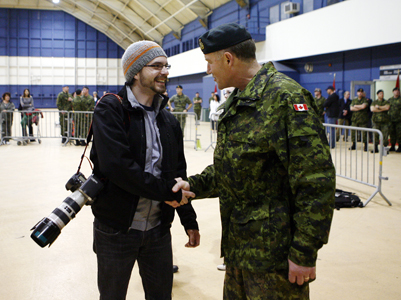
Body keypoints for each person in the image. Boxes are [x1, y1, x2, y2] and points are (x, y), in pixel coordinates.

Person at [174, 23, 335, 300]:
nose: (208, 71)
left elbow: (315, 180)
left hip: (275, 258)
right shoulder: (239, 99)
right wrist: (193, 186)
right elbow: (233, 166)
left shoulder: (285, 98)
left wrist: (305, 252)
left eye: (210, 63)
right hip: (240, 250)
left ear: (228, 59)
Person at [90, 40, 200, 300]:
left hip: (158, 230)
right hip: (116, 229)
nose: (165, 72)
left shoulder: (168, 119)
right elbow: (118, 167)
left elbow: (177, 172)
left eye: (166, 66)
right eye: (157, 66)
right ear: (136, 72)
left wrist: (188, 219)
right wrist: (167, 193)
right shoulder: (110, 109)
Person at [387, 87, 401, 152]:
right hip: (391, 120)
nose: (397, 92)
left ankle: (400, 147)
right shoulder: (390, 100)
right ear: (393, 92)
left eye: (398, 91)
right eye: (395, 91)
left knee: (400, 133)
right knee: (392, 133)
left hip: (399, 120)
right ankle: (392, 146)